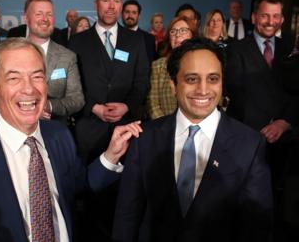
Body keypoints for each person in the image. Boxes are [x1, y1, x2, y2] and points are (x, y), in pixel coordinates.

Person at [0, 37, 142, 242]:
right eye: (14, 78)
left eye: (37, 77)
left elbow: (81, 186)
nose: (29, 89)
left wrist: (111, 154)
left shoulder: (59, 135)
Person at [113, 37, 273, 242]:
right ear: (173, 85)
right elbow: (127, 216)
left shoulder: (250, 144)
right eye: (191, 79)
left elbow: (257, 226)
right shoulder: (144, 139)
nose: (203, 90)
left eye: (213, 79)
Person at [68, 0, 150, 241]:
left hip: (126, 130)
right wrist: (94, 107)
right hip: (89, 130)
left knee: (125, 198)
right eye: (106, 0)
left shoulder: (137, 40)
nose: (111, 6)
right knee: (89, 199)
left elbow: (142, 83)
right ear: (96, 4)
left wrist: (127, 106)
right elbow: (75, 84)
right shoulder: (78, 42)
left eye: (116, 1)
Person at [225, 0, 298, 239]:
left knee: (278, 203)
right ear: (255, 17)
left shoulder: (292, 47)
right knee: (245, 201)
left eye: (276, 16)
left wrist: (284, 122)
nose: (270, 21)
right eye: (265, 15)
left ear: (282, 19)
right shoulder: (237, 49)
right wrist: (261, 129)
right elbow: (236, 92)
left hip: (285, 140)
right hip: (249, 138)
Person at [22, 0, 84, 124]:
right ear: (26, 19)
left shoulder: (68, 56)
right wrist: (26, 107)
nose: (45, 19)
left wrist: (48, 106)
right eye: (39, 14)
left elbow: (77, 100)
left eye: (49, 14)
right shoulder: (9, 53)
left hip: (54, 132)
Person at [147, 16, 197, 119]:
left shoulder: (202, 64)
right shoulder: (158, 66)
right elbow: (153, 104)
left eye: (183, 30)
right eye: (173, 32)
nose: (178, 35)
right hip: (164, 128)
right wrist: (166, 128)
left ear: (192, 35)